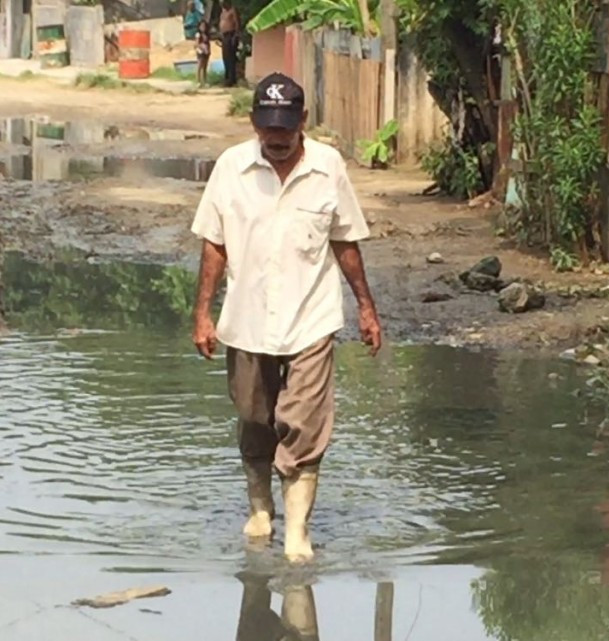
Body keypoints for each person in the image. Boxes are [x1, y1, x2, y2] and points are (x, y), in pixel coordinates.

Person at [190, 73, 381, 563]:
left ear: (303, 123)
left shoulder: (328, 167)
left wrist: (365, 307)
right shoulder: (231, 168)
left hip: (311, 318)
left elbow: (344, 240)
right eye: (268, 129)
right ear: (254, 122)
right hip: (247, 320)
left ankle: (297, 532)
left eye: (286, 129)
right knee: (256, 418)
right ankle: (260, 510)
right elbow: (214, 244)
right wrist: (202, 314)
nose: (277, 139)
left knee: (303, 424)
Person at [219, 1, 240, 87]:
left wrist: (235, 36)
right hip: (224, 36)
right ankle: (227, 78)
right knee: (225, 57)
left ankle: (232, 79)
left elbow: (237, 23)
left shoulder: (232, 10)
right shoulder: (223, 12)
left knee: (231, 58)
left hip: (230, 35)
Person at [195, 20, 212, 87]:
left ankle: (205, 81)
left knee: (205, 67)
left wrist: (208, 50)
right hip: (201, 51)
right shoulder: (198, 34)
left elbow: (208, 43)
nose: (203, 27)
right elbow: (196, 44)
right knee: (199, 66)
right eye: (202, 26)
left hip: (206, 51)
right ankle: (198, 81)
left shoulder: (207, 35)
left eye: (204, 26)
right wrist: (202, 48)